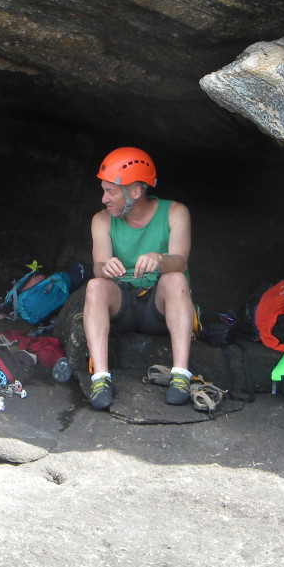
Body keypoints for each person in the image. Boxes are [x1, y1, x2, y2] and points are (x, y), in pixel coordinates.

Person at [82, 147, 195, 410]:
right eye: (104, 189)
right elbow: (98, 267)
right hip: (123, 304)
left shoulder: (175, 212)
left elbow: (181, 261)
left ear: (134, 191)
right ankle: (100, 378)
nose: (103, 198)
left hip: (159, 306)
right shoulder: (101, 220)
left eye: (110, 191)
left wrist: (160, 259)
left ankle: (180, 375)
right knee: (95, 286)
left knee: (176, 279)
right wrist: (105, 267)